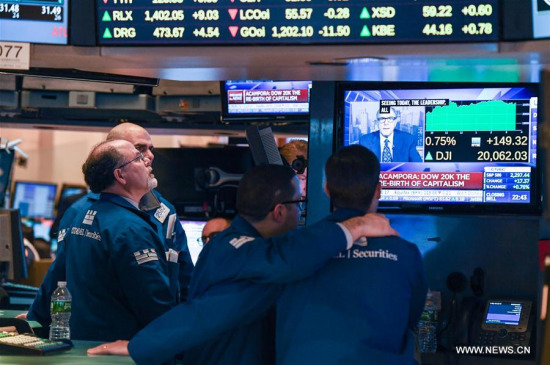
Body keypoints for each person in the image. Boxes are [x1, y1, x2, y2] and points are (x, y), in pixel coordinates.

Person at [88, 164, 398, 364]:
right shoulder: (240, 250)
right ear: (279, 211)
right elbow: (209, 314)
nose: (301, 214)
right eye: (299, 204)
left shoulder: (235, 245)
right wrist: (355, 227)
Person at [23, 122, 193, 327]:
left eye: (150, 149)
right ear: (112, 159)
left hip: (123, 333)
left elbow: (185, 274)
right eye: (139, 151)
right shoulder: (90, 215)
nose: (149, 157)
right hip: (127, 336)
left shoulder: (165, 211)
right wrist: (38, 319)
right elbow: (60, 276)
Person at [276, 145, 427, 365]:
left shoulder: (294, 247)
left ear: (327, 189)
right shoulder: (406, 254)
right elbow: (411, 319)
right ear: (378, 190)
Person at [63, 139, 176, 341]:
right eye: (138, 158)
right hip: (123, 348)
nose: (148, 161)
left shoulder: (85, 214)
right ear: (120, 175)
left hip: (86, 342)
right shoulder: (130, 228)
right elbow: (153, 302)